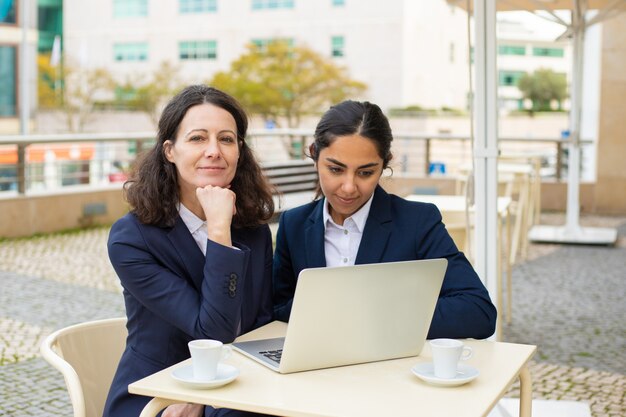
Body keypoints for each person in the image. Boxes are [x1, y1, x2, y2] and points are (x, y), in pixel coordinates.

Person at [104, 85, 275, 417]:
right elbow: (214, 332)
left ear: (240, 151)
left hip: (240, 390)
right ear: (170, 150)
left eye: (226, 139)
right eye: (198, 138)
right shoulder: (131, 238)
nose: (214, 150)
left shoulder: (253, 231)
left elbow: (259, 327)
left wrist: (205, 398)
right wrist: (218, 231)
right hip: (157, 397)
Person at [273, 100, 497, 339]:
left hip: (389, 371)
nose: (349, 187)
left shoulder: (418, 222)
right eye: (336, 170)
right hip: (313, 366)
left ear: (384, 165)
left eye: (365, 173)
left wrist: (371, 317)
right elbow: (275, 306)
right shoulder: (293, 224)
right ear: (314, 156)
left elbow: (478, 311)